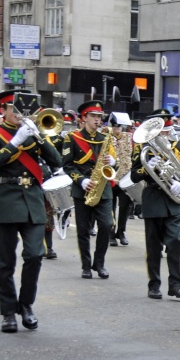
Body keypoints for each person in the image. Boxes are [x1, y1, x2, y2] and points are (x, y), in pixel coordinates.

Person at [0, 90, 64, 332]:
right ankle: (8, 312)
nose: (20, 115)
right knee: (5, 261)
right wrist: (14, 143)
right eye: (15, 109)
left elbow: (57, 161)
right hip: (5, 200)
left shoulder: (34, 133)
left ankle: (26, 304)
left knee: (34, 255)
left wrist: (40, 137)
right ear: (3, 110)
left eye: (24, 111)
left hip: (32, 200)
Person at [129, 117, 180, 300]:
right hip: (153, 199)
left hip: (174, 201)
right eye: (162, 132)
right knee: (153, 246)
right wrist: (147, 168)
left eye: (167, 131)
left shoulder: (179, 146)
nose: (165, 135)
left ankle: (175, 285)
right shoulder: (143, 149)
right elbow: (134, 176)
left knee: (176, 242)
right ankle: (154, 285)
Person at [63, 100, 117, 280]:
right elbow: (68, 166)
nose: (97, 120)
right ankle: (86, 265)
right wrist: (82, 180)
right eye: (93, 116)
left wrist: (113, 162)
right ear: (83, 118)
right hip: (83, 187)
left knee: (106, 225)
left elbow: (112, 164)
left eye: (99, 117)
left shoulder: (105, 138)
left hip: (103, 188)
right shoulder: (72, 138)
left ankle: (99, 263)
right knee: (83, 229)